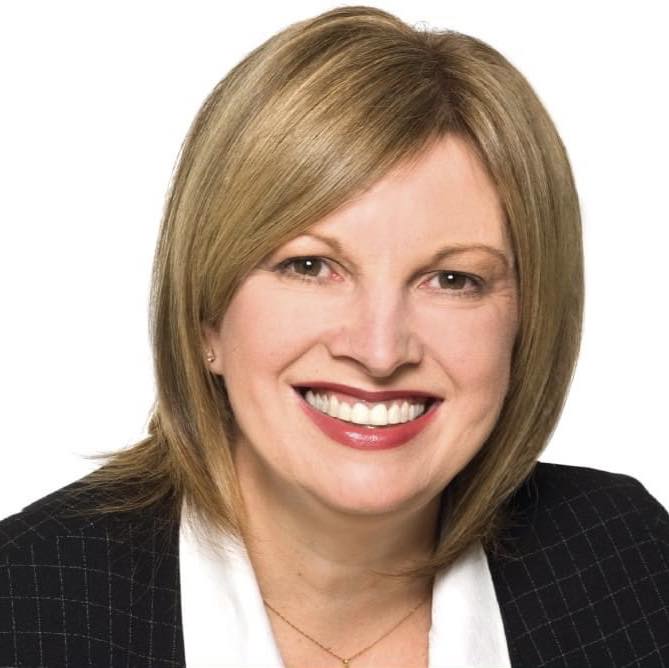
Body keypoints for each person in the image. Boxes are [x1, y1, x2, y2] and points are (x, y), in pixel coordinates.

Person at [1, 6, 667, 667]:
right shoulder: (25, 610)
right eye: (310, 267)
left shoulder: (630, 565)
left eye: (452, 279)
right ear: (206, 316)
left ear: (527, 323)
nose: (380, 351)